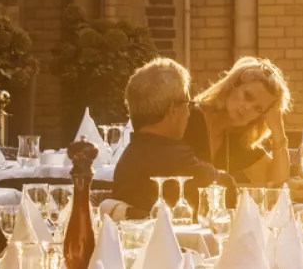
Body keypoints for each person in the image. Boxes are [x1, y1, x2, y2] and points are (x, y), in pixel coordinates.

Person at [113, 59, 235, 215]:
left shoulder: (128, 157)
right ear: (173, 110)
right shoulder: (177, 159)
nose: (189, 113)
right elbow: (227, 188)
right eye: (188, 104)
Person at [186, 56, 293, 185]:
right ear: (233, 84)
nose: (247, 107)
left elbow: (276, 187)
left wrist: (278, 131)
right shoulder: (187, 116)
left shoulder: (236, 140)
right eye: (248, 96)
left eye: (258, 109)